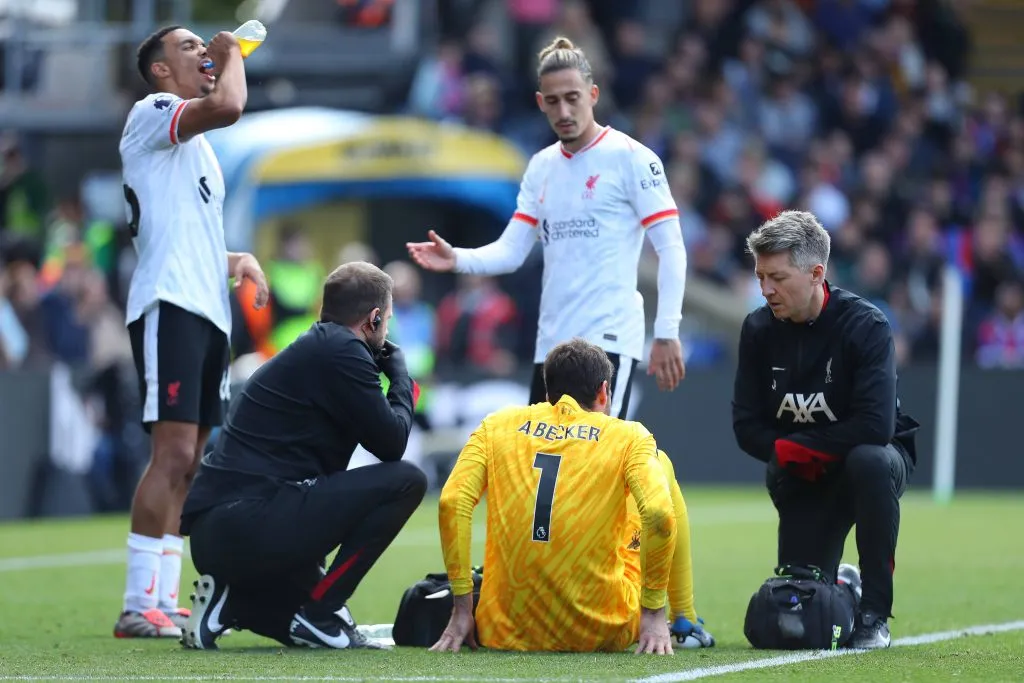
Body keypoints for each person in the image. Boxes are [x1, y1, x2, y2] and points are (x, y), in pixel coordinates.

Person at [406, 36, 688, 418]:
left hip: (607, 341)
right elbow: (510, 250)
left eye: (573, 97)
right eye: (553, 101)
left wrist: (667, 330)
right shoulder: (541, 166)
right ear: (540, 103)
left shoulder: (633, 159)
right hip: (551, 345)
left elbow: (671, 247)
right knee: (545, 467)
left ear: (593, 94)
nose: (564, 109)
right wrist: (457, 258)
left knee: (594, 464)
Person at [179, 261, 427, 650]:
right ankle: (321, 610)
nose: (388, 330)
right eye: (388, 319)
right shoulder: (344, 350)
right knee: (408, 481)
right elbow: (392, 444)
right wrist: (400, 379)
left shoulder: (322, 345)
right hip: (249, 520)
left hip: (226, 529)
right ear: (374, 318)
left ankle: (230, 604)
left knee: (308, 630)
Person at [115, 25, 270, 639]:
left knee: (192, 462)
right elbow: (230, 104)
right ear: (159, 71)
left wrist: (238, 261)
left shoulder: (197, 152)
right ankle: (136, 602)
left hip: (207, 308)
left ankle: (161, 599)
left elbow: (188, 235)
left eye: (206, 47)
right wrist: (232, 53)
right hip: (169, 303)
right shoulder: (153, 111)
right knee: (173, 453)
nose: (204, 52)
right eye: (189, 48)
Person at [732, 210, 920, 650]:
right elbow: (746, 426)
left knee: (868, 460)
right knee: (800, 610)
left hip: (872, 462)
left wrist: (800, 448)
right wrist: (793, 456)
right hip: (801, 472)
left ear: (817, 273)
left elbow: (876, 427)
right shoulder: (757, 330)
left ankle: (874, 613)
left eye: (777, 278)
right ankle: (842, 585)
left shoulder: (866, 325)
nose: (765, 290)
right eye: (760, 277)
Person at [430, 337, 680, 654]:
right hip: (603, 627)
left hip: (503, 628)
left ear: (549, 393)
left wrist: (462, 607)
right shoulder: (629, 436)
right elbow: (659, 515)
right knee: (662, 468)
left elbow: (452, 502)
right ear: (604, 391)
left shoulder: (497, 425)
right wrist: (654, 611)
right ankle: (684, 616)